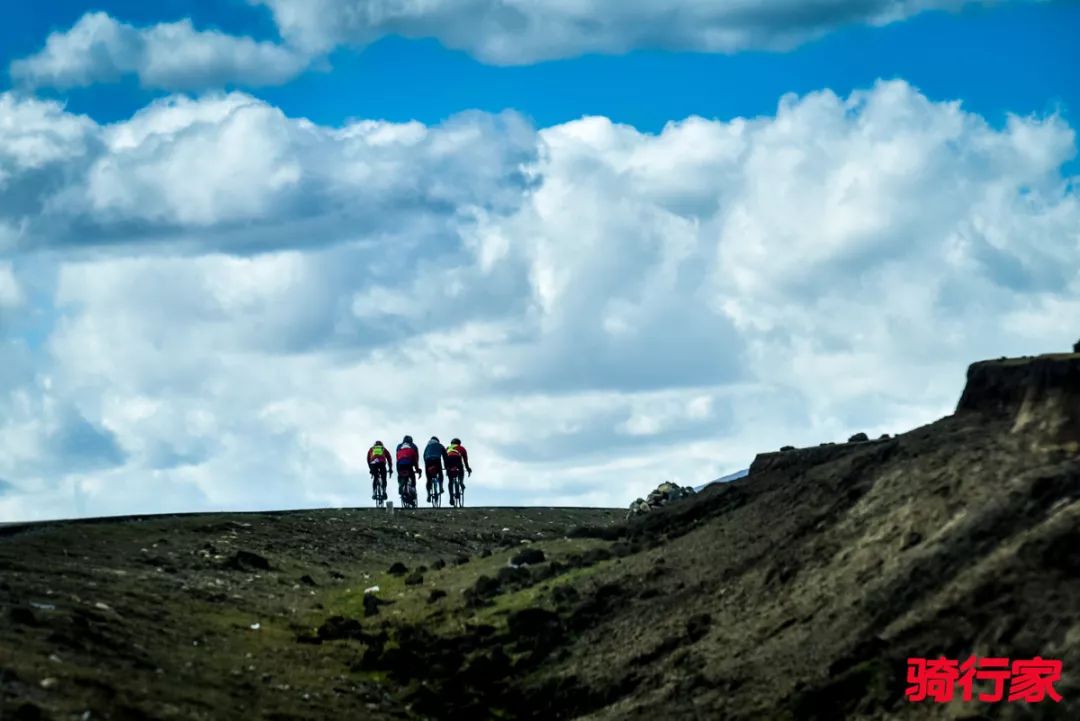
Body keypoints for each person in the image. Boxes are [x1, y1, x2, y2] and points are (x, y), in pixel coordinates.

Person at [445, 438, 472, 506]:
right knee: (461, 470)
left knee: (450, 481)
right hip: (457, 458)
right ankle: (461, 482)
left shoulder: (448, 448)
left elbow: (444, 457)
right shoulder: (461, 448)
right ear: (459, 443)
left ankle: (451, 497)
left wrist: (447, 468)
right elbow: (465, 460)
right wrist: (468, 468)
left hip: (448, 459)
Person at [395, 435, 421, 506]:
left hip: (399, 464)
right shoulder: (413, 447)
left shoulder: (399, 447)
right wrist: (417, 469)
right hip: (409, 463)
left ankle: (401, 484)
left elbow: (397, 457)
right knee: (412, 477)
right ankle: (412, 488)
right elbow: (416, 459)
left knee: (400, 476)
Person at [423, 436, 448, 504]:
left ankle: (428, 494)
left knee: (428, 479)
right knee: (440, 474)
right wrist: (446, 466)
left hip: (428, 462)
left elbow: (424, 456)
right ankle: (441, 487)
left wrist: (426, 464)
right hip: (437, 460)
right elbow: (445, 456)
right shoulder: (440, 445)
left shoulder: (427, 446)